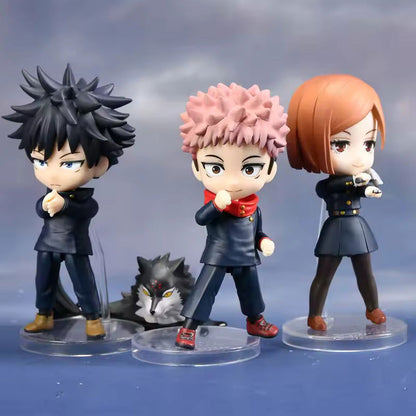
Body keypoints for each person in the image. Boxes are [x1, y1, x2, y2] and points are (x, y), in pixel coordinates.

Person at [4, 64, 135, 339]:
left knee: (83, 282)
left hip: (74, 246)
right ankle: (44, 315)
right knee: (44, 281)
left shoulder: (83, 198)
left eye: (69, 163)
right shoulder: (49, 193)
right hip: (47, 244)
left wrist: (63, 206)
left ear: (99, 165)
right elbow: (40, 209)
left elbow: (87, 209)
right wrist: (45, 206)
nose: (51, 173)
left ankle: (92, 318)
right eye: (40, 161)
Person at [175, 83, 289, 349]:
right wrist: (217, 205)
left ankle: (255, 320)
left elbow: (256, 231)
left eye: (249, 169)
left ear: (270, 170)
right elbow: (201, 218)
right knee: (204, 291)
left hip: (245, 256)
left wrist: (263, 241)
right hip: (218, 255)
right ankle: (189, 327)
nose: (234, 181)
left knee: (251, 292)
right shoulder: (217, 202)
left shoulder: (253, 208)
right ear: (197, 168)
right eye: (216, 168)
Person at [286, 74, 386, 331]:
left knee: (365, 272)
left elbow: (363, 189)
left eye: (368, 143)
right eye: (340, 144)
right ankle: (314, 315)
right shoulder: (329, 184)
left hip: (356, 227)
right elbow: (331, 188)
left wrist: (368, 189)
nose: (359, 156)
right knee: (324, 275)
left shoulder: (361, 178)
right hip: (335, 229)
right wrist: (356, 181)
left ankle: (373, 308)